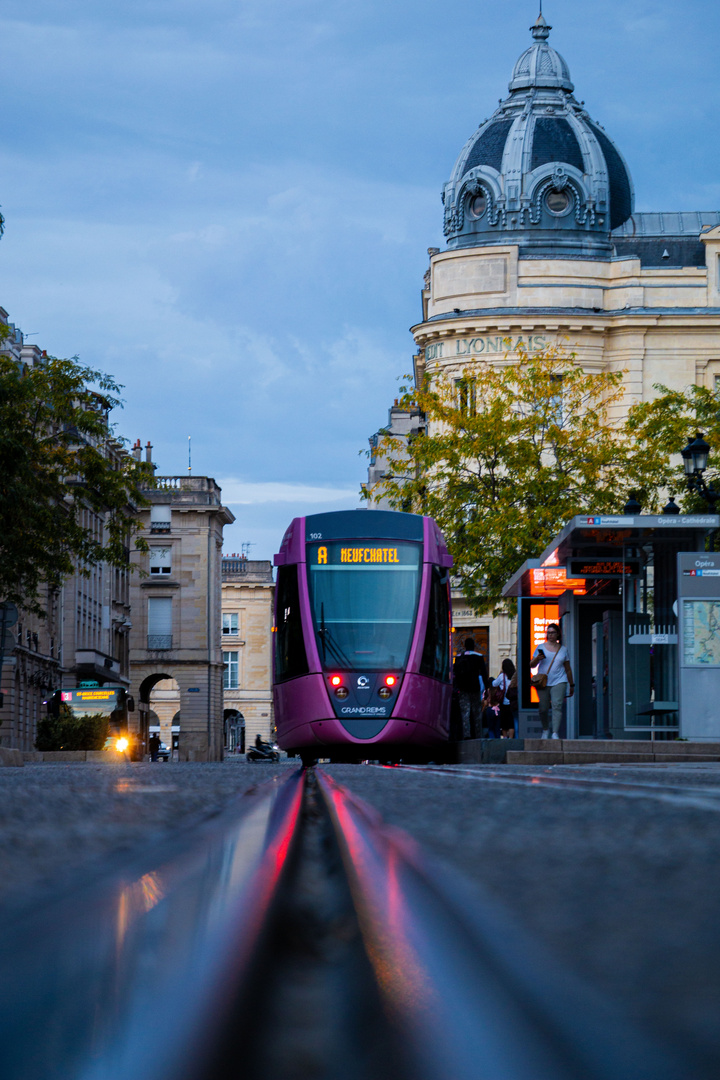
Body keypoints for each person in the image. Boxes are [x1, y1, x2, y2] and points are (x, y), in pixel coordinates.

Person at [529, 623, 574, 739]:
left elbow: (568, 669)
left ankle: (555, 732)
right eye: (548, 633)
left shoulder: (563, 650)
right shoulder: (541, 647)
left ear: (558, 634)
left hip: (559, 681)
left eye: (553, 632)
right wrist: (537, 659)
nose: (550, 635)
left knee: (557, 705)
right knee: (543, 708)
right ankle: (545, 729)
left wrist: (571, 684)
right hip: (543, 683)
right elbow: (532, 665)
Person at [453, 637, 486, 739]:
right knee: (477, 713)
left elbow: (455, 673)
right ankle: (478, 734)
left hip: (463, 689)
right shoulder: (479, 657)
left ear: (464, 646)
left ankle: (466, 734)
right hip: (475, 688)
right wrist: (487, 687)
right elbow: (484, 673)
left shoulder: (459, 657)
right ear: (474, 645)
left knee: (465, 713)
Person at [492, 658, 516, 738]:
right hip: (513, 701)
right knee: (511, 721)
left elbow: (494, 684)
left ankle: (505, 737)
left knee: (504, 721)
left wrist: (499, 674)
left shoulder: (502, 676)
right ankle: (511, 738)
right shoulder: (515, 675)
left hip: (504, 701)